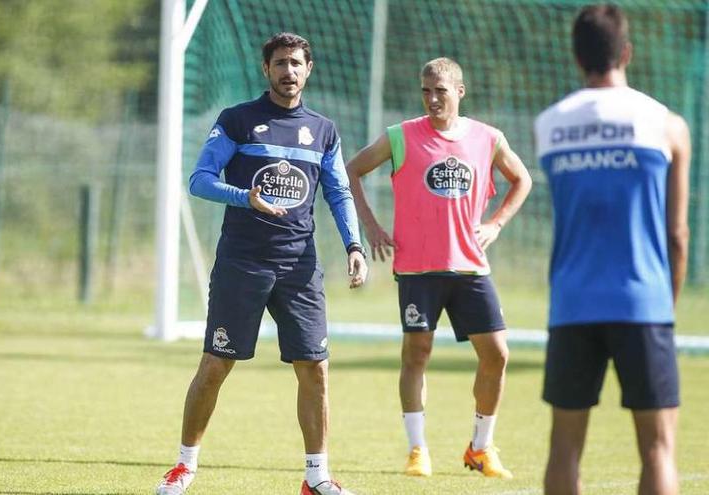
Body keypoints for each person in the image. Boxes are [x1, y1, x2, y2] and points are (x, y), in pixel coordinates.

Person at [155, 32, 367, 495]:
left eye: (296, 63)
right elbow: (200, 180)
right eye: (280, 63)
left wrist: (355, 245)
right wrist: (244, 198)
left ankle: (317, 478)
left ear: (308, 69)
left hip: (299, 266)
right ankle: (184, 466)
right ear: (265, 69)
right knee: (216, 363)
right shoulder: (237, 121)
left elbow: (337, 191)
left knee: (315, 367)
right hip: (242, 263)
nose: (288, 71)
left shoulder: (324, 130)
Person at [346, 57, 532, 479]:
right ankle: (417, 450)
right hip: (417, 269)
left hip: (470, 268)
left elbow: (522, 179)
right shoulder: (400, 136)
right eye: (426, 91)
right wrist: (372, 226)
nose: (432, 99)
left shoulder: (488, 138)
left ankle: (480, 448)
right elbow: (353, 169)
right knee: (417, 355)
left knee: (497, 355)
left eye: (441, 91)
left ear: (459, 92)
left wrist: (497, 223)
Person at [535, 5, 690, 495]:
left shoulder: (549, 125)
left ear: (575, 56)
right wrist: (667, 306)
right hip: (643, 302)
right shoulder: (667, 125)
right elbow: (678, 234)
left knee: (564, 448)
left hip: (572, 303)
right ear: (626, 51)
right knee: (658, 449)